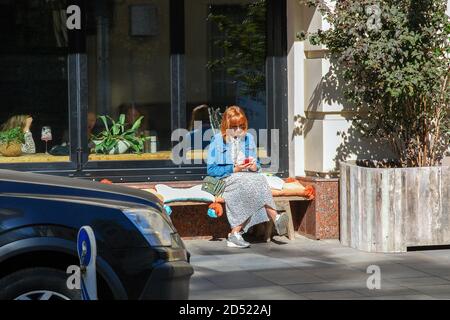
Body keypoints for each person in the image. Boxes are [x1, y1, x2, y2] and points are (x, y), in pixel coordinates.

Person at [206, 106, 289, 248]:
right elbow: (211, 170)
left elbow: (256, 165)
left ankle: (235, 234)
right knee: (246, 181)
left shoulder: (248, 138)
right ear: (226, 126)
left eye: (241, 126)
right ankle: (275, 216)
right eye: (234, 127)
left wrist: (254, 167)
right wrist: (235, 168)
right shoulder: (218, 140)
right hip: (225, 178)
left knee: (259, 178)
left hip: (247, 178)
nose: (238, 130)